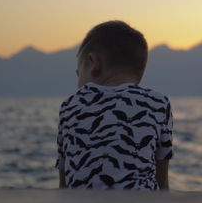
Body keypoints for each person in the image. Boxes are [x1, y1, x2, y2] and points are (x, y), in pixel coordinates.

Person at [55, 20, 173, 190]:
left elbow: (64, 186)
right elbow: (162, 184)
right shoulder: (158, 103)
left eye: (78, 73)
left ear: (93, 63)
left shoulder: (70, 106)